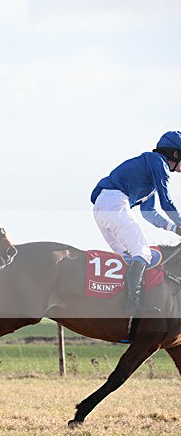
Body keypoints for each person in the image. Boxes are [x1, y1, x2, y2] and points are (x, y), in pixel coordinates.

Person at [91, 130, 181, 316]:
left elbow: (149, 213)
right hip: (114, 203)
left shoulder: (151, 169)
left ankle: (117, 303)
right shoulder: (159, 163)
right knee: (143, 252)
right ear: (175, 153)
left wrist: (174, 228)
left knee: (128, 258)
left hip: (104, 207)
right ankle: (133, 304)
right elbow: (167, 202)